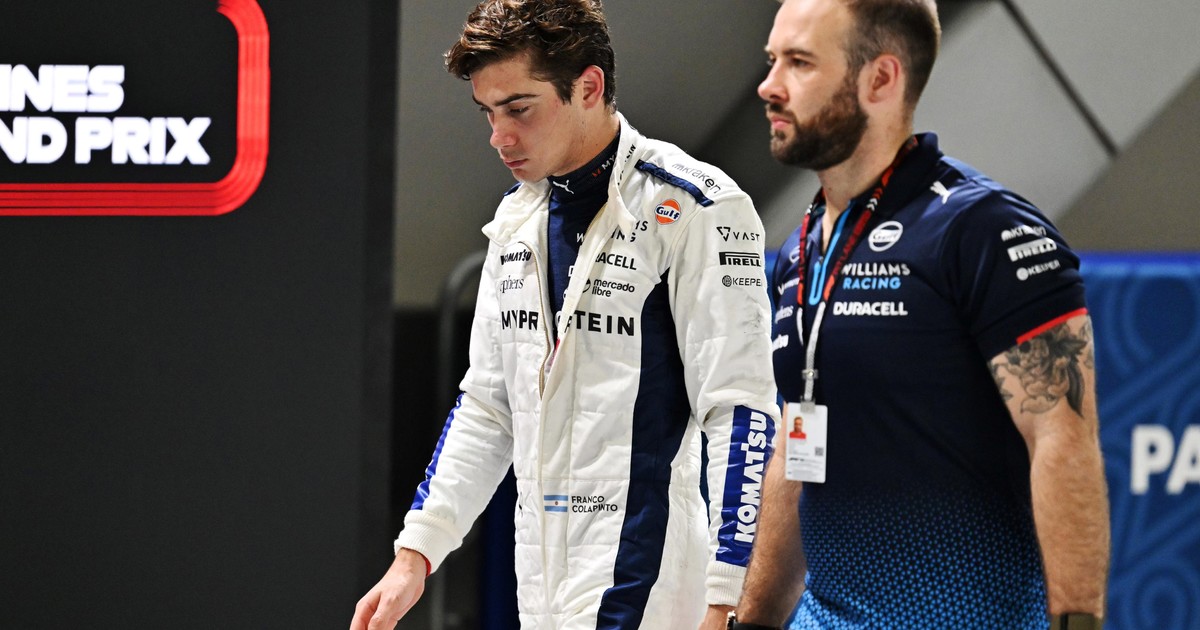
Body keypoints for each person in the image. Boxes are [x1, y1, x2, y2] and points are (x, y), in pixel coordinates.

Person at [350, 1, 780, 629]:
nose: (499, 136)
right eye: (488, 113)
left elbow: (742, 412)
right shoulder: (516, 218)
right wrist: (415, 555)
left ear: (589, 87)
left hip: (650, 584)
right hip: (540, 582)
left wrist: (728, 597)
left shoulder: (697, 206)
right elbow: (489, 407)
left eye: (518, 109)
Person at [729, 0, 1111, 628]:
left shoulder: (983, 229)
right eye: (773, 60)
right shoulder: (802, 251)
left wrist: (1078, 622)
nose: (769, 86)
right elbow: (800, 449)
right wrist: (752, 621)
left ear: (881, 79)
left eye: (799, 63)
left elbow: (1061, 439)